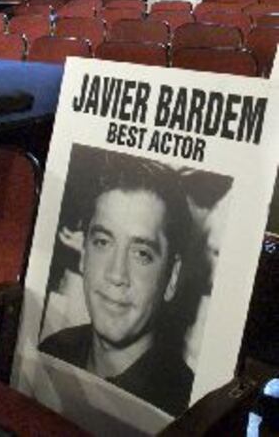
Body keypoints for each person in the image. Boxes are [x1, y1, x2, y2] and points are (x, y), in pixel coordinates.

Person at [39, 152, 194, 416]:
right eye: (102, 242)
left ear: (172, 277)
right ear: (84, 255)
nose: (116, 274)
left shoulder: (188, 409)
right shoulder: (51, 350)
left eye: (142, 253)